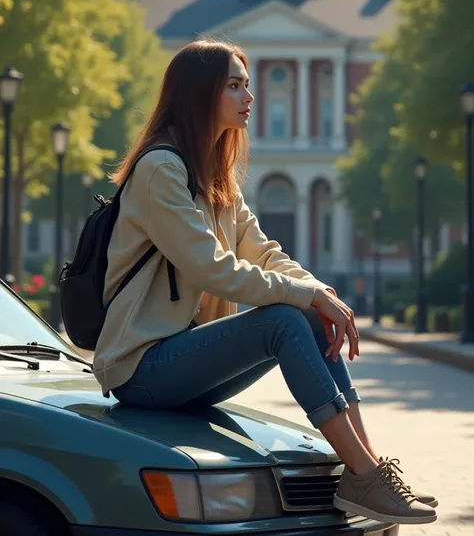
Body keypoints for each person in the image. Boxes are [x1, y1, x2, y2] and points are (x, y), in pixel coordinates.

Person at [93, 39, 437, 526]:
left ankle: (370, 473)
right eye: (234, 86)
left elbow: (263, 252)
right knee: (282, 319)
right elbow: (213, 268)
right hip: (142, 368)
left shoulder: (213, 174)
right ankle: (362, 473)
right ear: (199, 93)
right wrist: (307, 294)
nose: (247, 97)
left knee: (309, 315)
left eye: (247, 86)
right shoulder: (160, 170)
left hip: (184, 356)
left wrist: (321, 294)